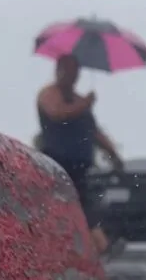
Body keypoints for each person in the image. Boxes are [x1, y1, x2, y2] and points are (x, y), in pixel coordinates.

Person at [36, 54, 123, 255]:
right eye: (67, 70)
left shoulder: (79, 100)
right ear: (58, 70)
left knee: (87, 212)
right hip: (54, 164)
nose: (72, 76)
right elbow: (56, 113)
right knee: (55, 210)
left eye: (76, 72)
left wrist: (114, 155)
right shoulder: (49, 94)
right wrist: (85, 104)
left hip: (80, 168)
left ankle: (99, 251)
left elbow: (95, 132)